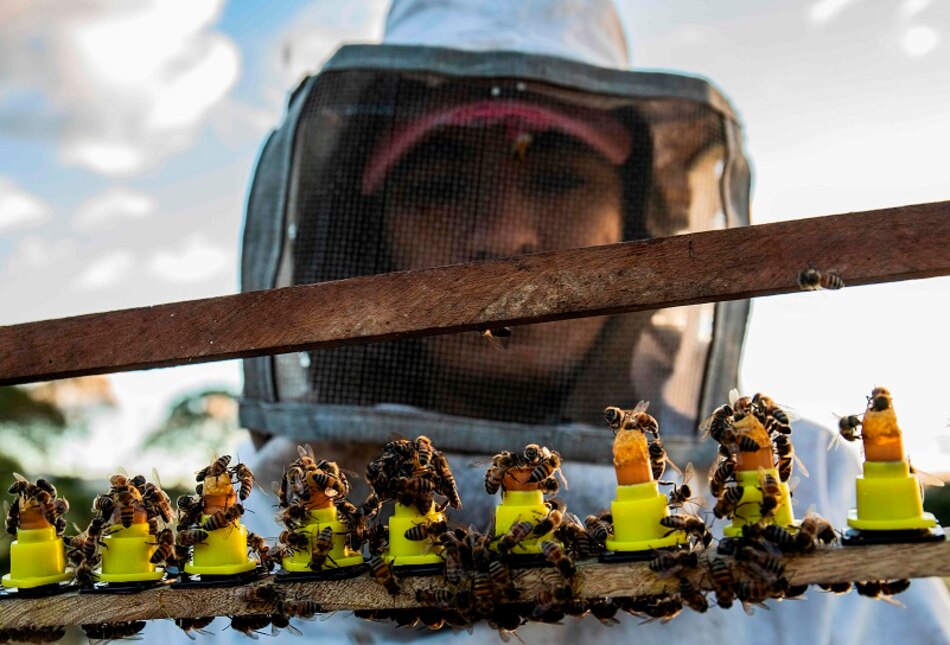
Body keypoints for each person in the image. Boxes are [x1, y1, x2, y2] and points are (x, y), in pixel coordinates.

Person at [149, 1, 950, 642]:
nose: (504, 234)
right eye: (439, 185)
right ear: (363, 235)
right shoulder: (262, 523)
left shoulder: (797, 483)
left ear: (636, 226)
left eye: (560, 178)